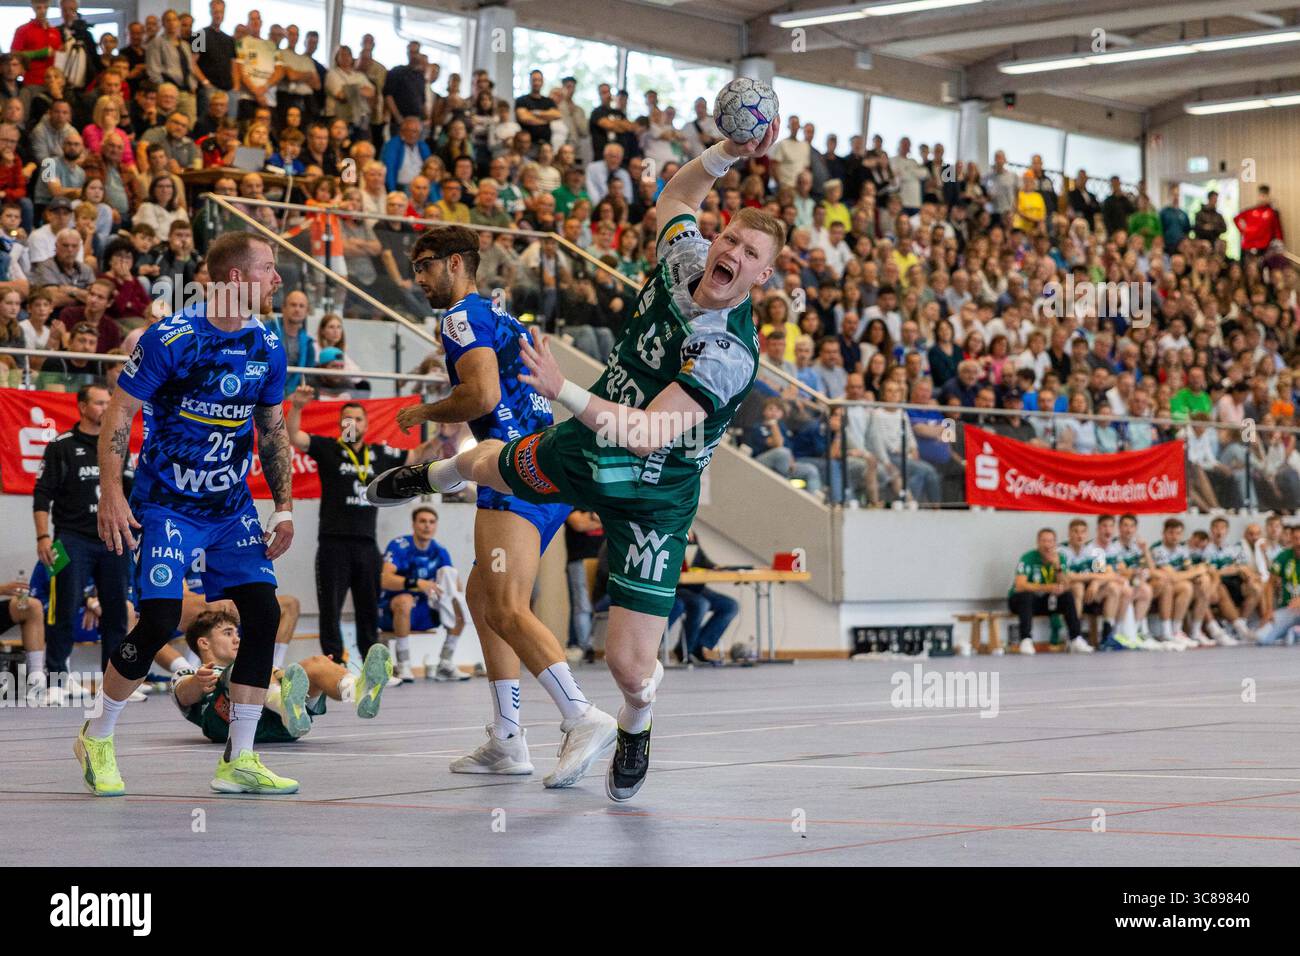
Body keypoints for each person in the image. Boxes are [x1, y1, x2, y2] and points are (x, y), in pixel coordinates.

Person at [367, 112, 787, 802]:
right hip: (592, 445)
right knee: (489, 463)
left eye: (749, 254)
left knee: (628, 665)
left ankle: (636, 721)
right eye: (731, 237)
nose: (733, 253)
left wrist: (563, 388)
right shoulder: (686, 256)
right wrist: (726, 152)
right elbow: (678, 198)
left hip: (655, 486)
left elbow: (650, 434)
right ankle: (433, 472)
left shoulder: (728, 352)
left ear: (762, 278)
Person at [88, 230, 298, 797]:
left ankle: (240, 759)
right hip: (168, 505)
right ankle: (99, 736)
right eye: (269, 268)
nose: (278, 279)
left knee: (262, 613)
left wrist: (282, 507)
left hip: (230, 508)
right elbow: (120, 414)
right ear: (236, 278)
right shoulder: (170, 338)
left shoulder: (268, 345)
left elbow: (273, 430)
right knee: (158, 619)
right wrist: (112, 491)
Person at [373, 224, 577, 780]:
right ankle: (508, 738)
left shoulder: (461, 316)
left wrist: (426, 412)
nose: (418, 277)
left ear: (458, 263)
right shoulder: (497, 315)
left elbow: (481, 396)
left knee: (507, 606)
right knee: (481, 593)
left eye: (426, 264)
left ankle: (578, 714)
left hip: (512, 471)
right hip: (544, 465)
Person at [284, 384, 439, 666]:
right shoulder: (328, 448)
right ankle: (335, 665)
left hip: (367, 544)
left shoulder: (379, 455)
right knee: (330, 608)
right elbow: (294, 436)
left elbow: (417, 456)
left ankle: (372, 665)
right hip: (333, 542)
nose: (352, 423)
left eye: (357, 418)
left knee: (368, 607)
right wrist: (296, 406)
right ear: (340, 423)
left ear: (366, 424)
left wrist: (442, 435)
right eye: (347, 419)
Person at [31, 383, 133, 687]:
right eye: (99, 403)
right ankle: (57, 680)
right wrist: (42, 538)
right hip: (71, 539)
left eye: (108, 403)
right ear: (83, 407)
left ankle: (112, 683)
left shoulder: (119, 446)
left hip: (112, 538)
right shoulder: (60, 446)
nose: (105, 408)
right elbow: (41, 495)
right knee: (65, 606)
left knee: (116, 612)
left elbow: (131, 493)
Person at [172, 609, 393, 743]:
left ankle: (360, 691)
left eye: (237, 634)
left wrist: (306, 674)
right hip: (227, 726)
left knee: (317, 664)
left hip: (283, 727)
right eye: (228, 633)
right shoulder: (189, 673)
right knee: (249, 666)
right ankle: (285, 705)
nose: (237, 639)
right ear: (204, 643)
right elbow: (184, 694)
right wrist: (198, 682)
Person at [378, 505, 468, 682]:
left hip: (424, 609)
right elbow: (384, 579)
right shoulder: (400, 546)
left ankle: (445, 664)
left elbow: (453, 581)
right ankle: (403, 665)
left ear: (436, 526)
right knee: (405, 600)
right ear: (414, 524)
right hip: (392, 611)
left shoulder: (440, 551)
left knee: (459, 610)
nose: (427, 526)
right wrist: (418, 584)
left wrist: (452, 588)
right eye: (422, 521)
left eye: (431, 522)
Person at [1008, 528, 1086, 656]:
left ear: (1055, 543)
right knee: (1026, 596)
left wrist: (1058, 568)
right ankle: (1026, 639)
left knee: (1067, 596)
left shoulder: (1059, 558)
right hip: (1021, 601)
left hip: (1047, 601)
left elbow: (1066, 585)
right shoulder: (1028, 558)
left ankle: (1075, 638)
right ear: (1038, 543)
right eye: (1043, 541)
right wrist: (1047, 587)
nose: (1047, 544)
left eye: (1050, 541)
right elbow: (1020, 585)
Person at [668, 527, 737, 664]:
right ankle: (685, 650)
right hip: (677, 587)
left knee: (730, 605)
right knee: (701, 604)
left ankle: (699, 645)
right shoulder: (669, 531)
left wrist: (716, 568)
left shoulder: (691, 534)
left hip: (695, 586)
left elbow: (700, 559)